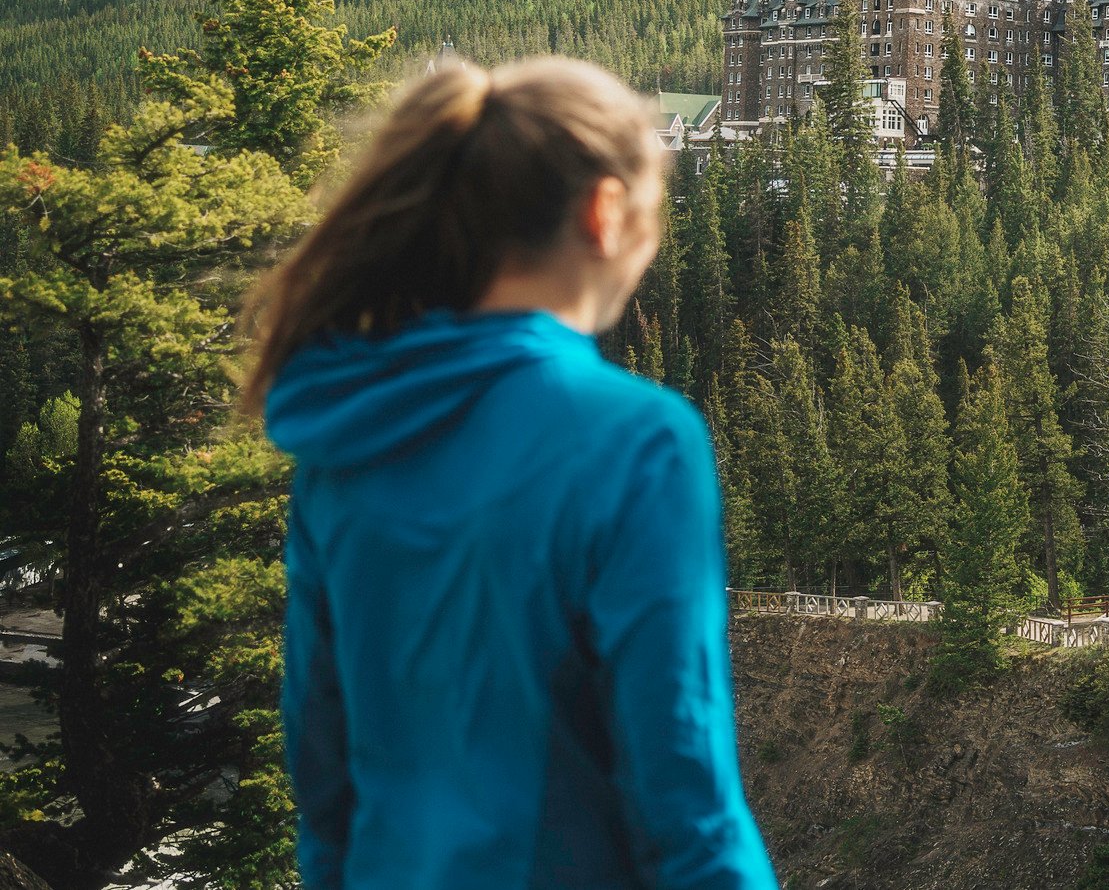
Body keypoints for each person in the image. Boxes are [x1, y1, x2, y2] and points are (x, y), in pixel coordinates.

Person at [245, 57, 777, 890]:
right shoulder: (638, 442)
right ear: (604, 212)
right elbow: (684, 798)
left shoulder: (345, 433)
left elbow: (322, 771)